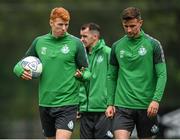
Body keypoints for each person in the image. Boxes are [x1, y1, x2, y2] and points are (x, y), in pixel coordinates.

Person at [13, 7, 91, 139]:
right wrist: (20, 71)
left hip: (68, 103)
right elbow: (19, 65)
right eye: (60, 24)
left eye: (66, 25)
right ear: (51, 22)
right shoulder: (39, 42)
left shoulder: (76, 43)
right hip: (45, 103)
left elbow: (88, 71)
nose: (64, 28)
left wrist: (82, 76)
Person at [106, 7, 167, 139]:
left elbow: (162, 74)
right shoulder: (117, 46)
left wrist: (156, 100)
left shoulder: (153, 44)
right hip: (122, 105)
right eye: (125, 26)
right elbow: (111, 76)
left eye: (132, 26)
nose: (129, 30)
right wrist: (110, 103)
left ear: (140, 23)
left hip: (146, 106)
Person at [78, 23, 113, 139]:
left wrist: (111, 104)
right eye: (81, 36)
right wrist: (78, 106)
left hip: (103, 110)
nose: (81, 39)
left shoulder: (108, 53)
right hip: (85, 111)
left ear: (95, 36)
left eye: (85, 36)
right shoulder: (80, 55)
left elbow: (115, 79)